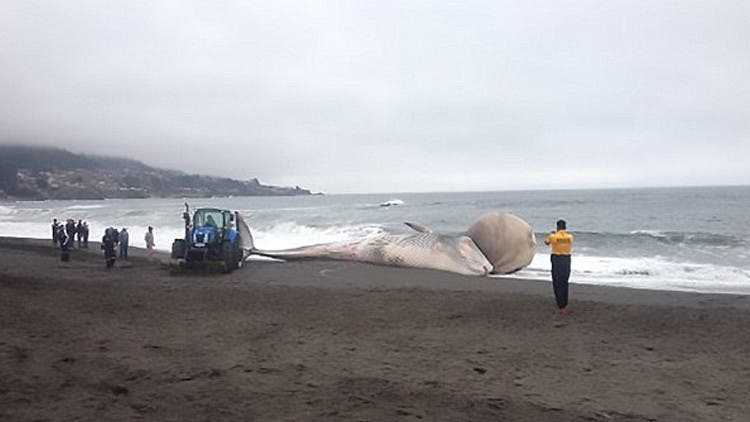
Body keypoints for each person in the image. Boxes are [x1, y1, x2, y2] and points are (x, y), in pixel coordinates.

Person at [545, 219, 574, 315]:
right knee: (564, 283)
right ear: (565, 227)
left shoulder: (553, 236)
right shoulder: (570, 237)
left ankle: (560, 306)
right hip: (566, 259)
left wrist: (552, 234)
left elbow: (547, 242)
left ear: (557, 227)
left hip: (557, 259)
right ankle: (564, 306)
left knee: (557, 283)